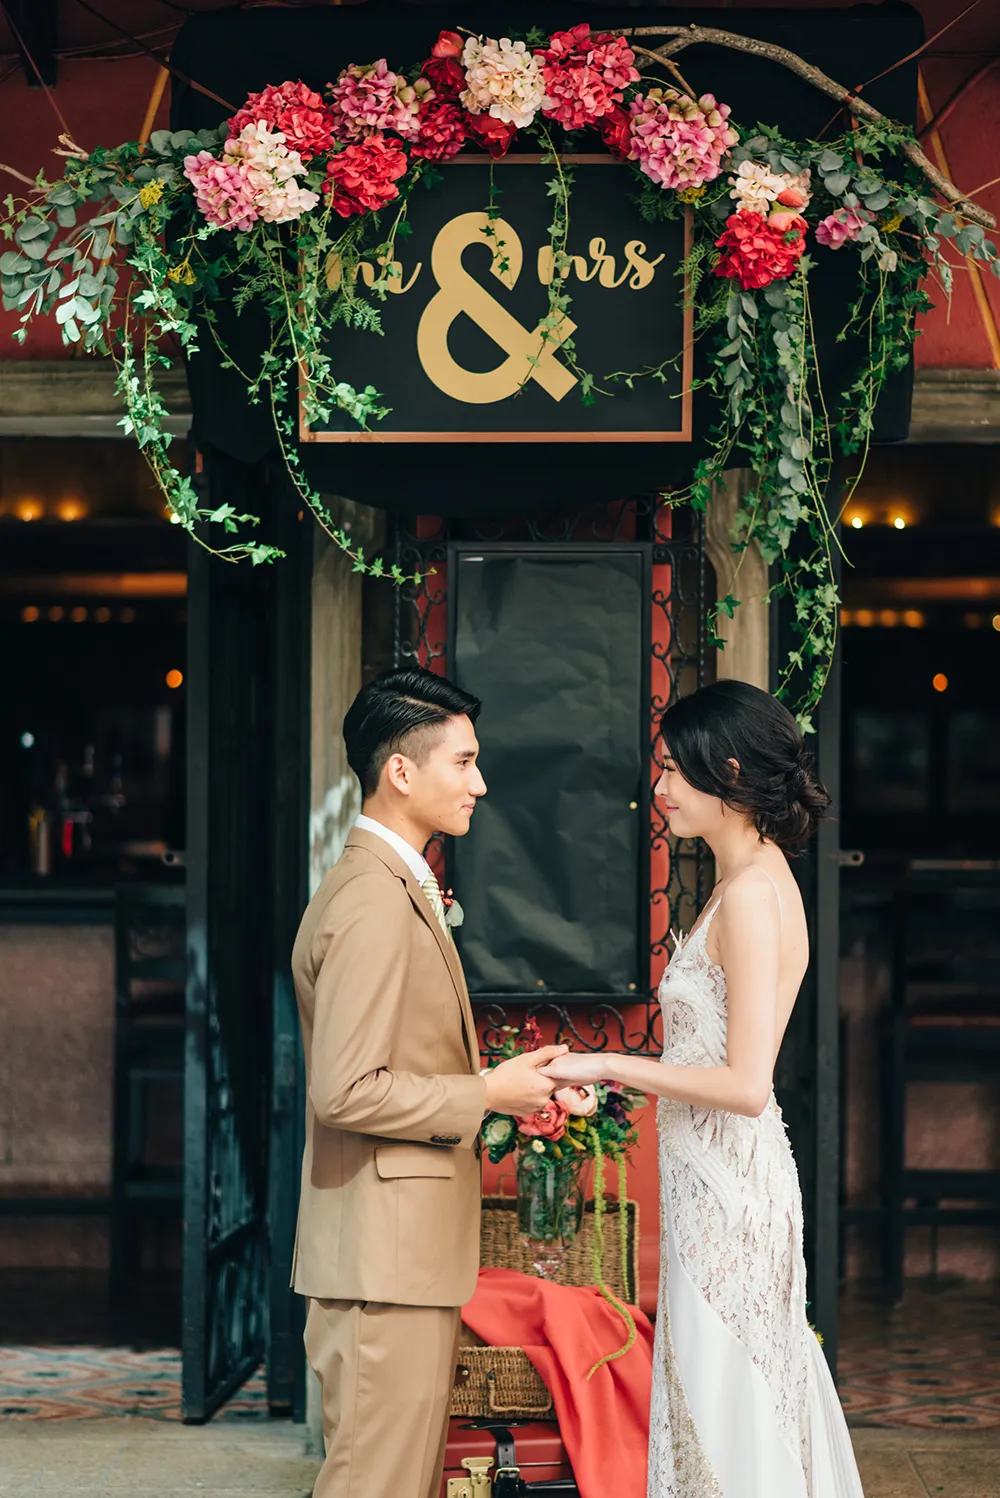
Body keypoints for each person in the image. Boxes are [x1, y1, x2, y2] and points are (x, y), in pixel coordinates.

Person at [541, 679, 864, 1498]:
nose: (659, 790)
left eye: (672, 772)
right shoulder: (745, 882)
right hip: (710, 1182)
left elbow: (746, 1083)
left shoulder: (754, 894)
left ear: (723, 770)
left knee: (730, 1404)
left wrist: (607, 1064)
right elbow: (708, 1051)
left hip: (730, 1194)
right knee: (716, 1396)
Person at [290, 665, 565, 1498]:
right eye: (464, 761)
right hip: (383, 1263)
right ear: (400, 771)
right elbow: (344, 1090)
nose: (480, 783)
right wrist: (485, 1094)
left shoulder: (393, 886)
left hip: (394, 1259)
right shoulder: (375, 901)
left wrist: (503, 1088)